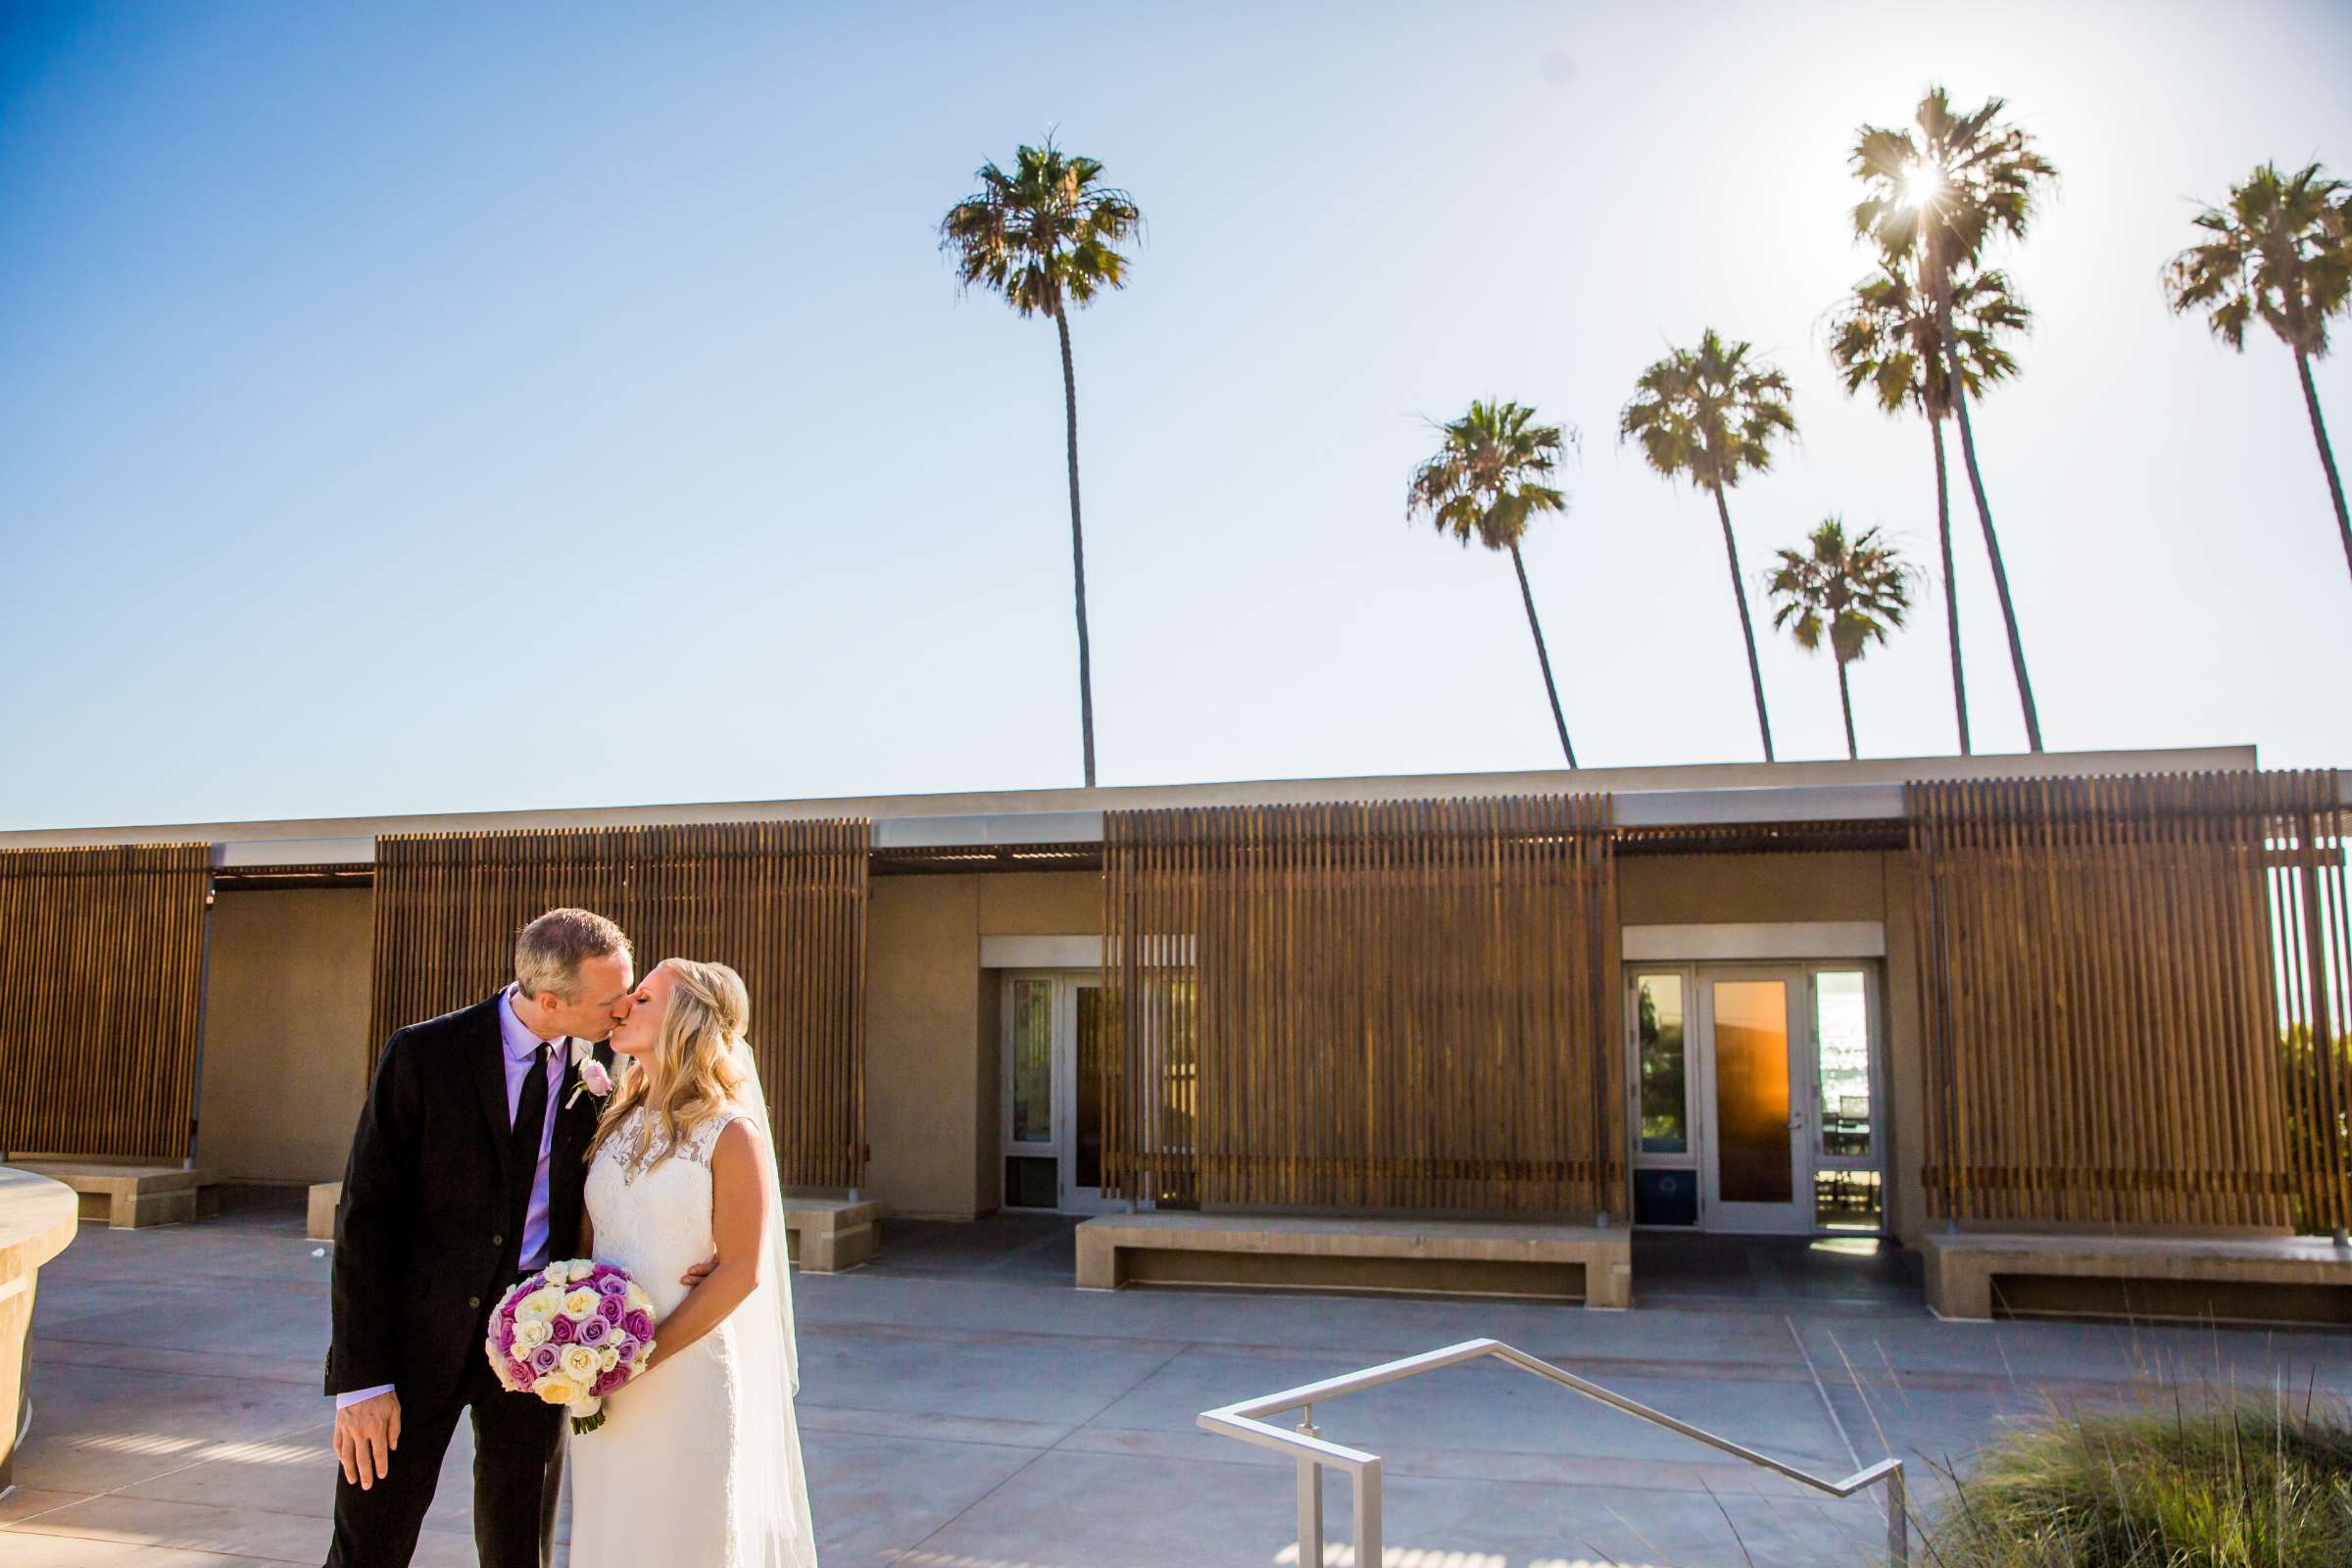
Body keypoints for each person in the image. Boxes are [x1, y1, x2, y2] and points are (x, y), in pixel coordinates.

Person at [323, 907, 633, 1568]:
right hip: (414, 1346)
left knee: (519, 1549)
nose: (625, 1008)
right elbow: (365, 1219)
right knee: (367, 1547)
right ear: (550, 1001)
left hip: (539, 1343)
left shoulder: (607, 1061)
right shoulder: (423, 1054)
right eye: (612, 999)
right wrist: (361, 1380)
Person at [567, 956, 816, 1566]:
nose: (624, 1006)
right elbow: (585, 1249)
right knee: (610, 1536)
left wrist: (635, 1358)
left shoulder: (729, 1133)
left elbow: (740, 1271)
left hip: (679, 1377)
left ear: (685, 1020)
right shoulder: (615, 1122)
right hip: (600, 1377)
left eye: (644, 999)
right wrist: (564, 1334)